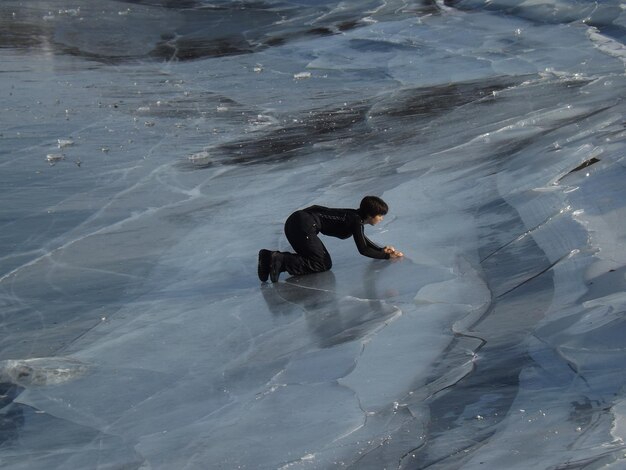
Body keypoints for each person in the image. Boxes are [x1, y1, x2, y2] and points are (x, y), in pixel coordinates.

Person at [258, 196, 403, 282]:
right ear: (371, 214)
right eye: (380, 215)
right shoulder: (355, 220)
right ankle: (279, 260)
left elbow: (362, 239)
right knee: (322, 263)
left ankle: (268, 259)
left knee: (317, 259)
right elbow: (363, 249)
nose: (381, 218)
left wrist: (380, 249)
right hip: (303, 224)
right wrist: (386, 256)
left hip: (296, 222)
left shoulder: (355, 218)